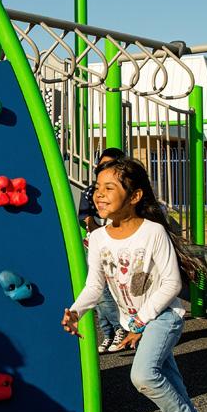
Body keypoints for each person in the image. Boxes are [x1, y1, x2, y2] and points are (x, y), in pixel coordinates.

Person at [62, 156, 207, 412]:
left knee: (143, 375)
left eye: (110, 187)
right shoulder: (98, 238)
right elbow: (95, 285)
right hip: (136, 321)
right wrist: (77, 310)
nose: (99, 194)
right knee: (176, 393)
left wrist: (140, 322)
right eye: (97, 187)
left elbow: (171, 284)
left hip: (163, 317)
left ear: (135, 195)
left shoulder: (153, 232)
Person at [78, 147, 126, 354]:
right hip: (97, 245)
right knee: (99, 293)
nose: (103, 168)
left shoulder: (123, 192)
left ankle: (121, 327)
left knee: (109, 292)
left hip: (118, 248)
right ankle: (109, 333)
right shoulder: (91, 192)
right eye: (101, 165)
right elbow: (86, 218)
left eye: (109, 165)